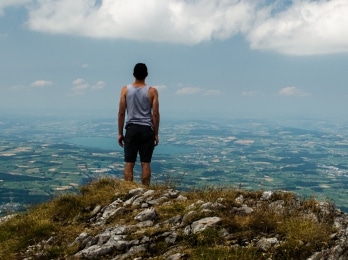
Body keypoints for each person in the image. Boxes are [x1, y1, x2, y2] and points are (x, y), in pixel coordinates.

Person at [118, 63, 160, 186]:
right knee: (145, 162)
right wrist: (156, 133)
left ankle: (128, 189)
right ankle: (145, 190)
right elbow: (155, 114)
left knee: (129, 162)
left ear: (133, 74)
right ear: (147, 75)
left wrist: (120, 133)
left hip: (131, 128)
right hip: (147, 129)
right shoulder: (152, 91)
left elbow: (121, 113)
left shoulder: (125, 90)